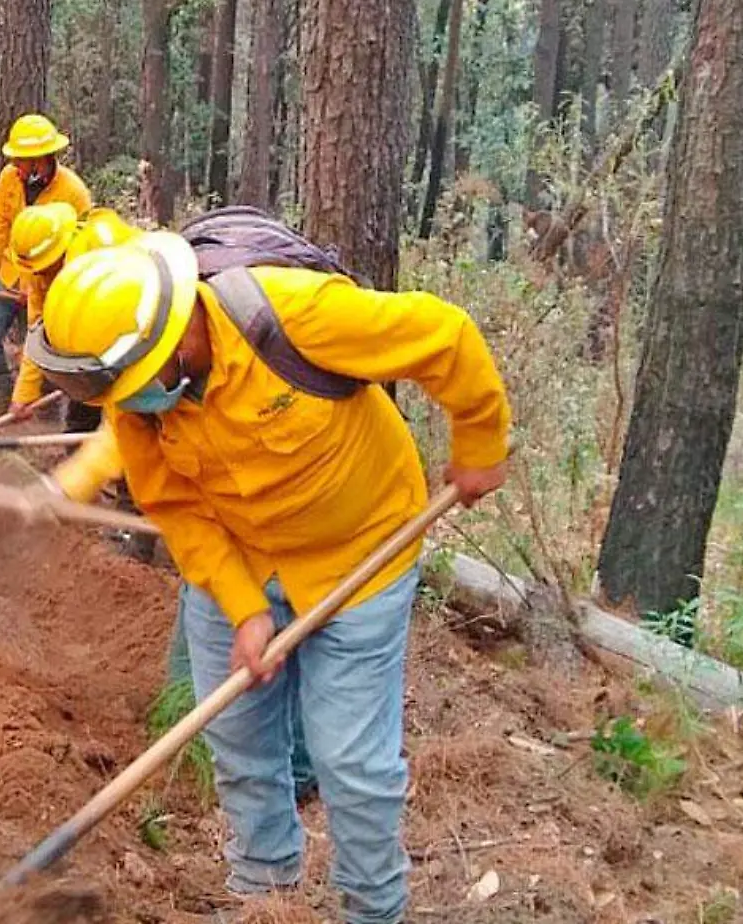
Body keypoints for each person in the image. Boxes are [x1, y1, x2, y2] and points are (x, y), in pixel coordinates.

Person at [28, 232, 511, 924]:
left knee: (351, 764)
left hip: (361, 555)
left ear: (174, 337)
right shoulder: (134, 398)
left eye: (139, 388)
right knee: (238, 739)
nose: (131, 407)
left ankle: (372, 911)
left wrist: (480, 444)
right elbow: (177, 511)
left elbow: (446, 337)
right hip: (244, 556)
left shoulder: (294, 316)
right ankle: (263, 895)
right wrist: (243, 607)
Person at [0, 114, 92, 414]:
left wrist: (45, 293)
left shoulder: (74, 194)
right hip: (10, 272)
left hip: (52, 286)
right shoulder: (8, 179)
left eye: (21, 161)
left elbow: (81, 254)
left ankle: (43, 413)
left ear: (40, 160)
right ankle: (3, 400)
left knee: (44, 351)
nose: (15, 165)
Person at [6, 205, 136, 432]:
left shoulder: (98, 256)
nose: (39, 275)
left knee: (131, 417)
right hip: (90, 347)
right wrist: (24, 394)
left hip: (133, 327)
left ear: (61, 250)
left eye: (43, 268)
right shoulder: (40, 273)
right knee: (81, 416)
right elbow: (39, 330)